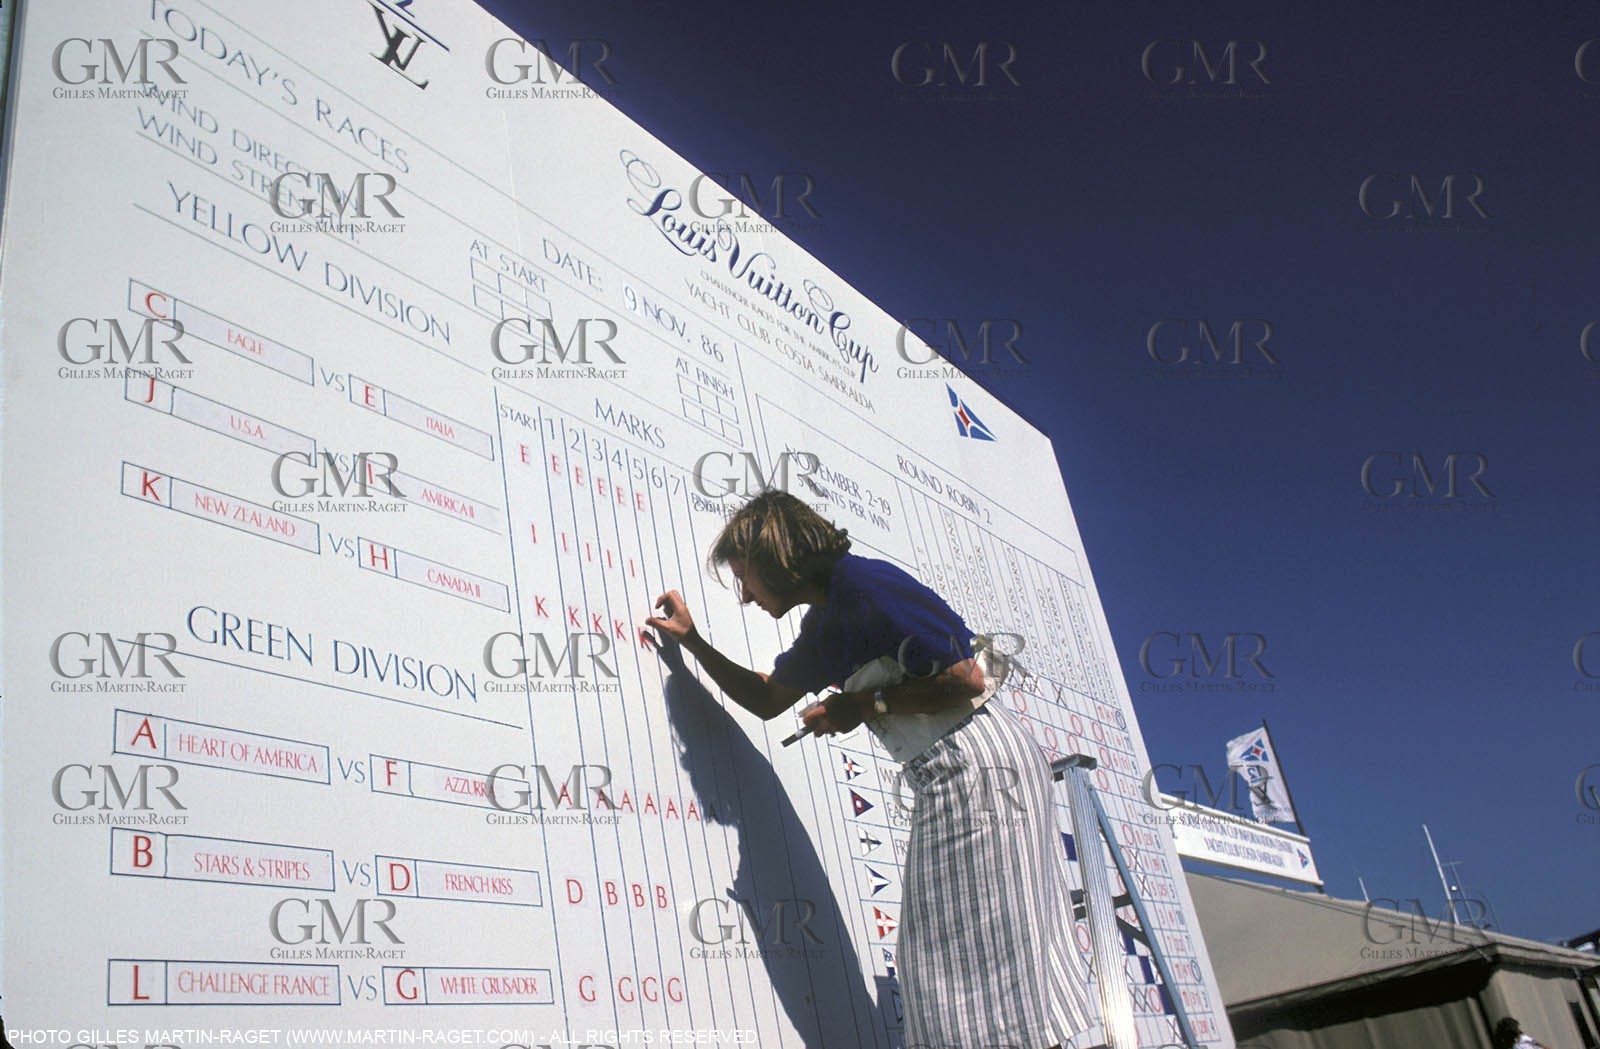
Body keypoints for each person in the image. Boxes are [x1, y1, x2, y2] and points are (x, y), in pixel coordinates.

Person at [644, 490, 1092, 1049]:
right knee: (975, 947)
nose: (744, 596)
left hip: (976, 766)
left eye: (746, 578)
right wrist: (694, 643)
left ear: (775, 555)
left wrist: (860, 706)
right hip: (964, 769)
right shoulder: (828, 620)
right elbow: (767, 699)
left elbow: (966, 679)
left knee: (954, 951)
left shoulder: (864, 585)